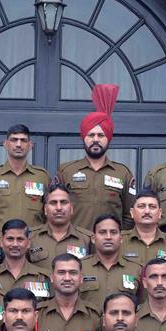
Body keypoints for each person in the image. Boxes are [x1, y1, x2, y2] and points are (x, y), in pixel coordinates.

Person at [57, 84, 135, 232]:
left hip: (110, 245)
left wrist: (116, 237)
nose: (95, 139)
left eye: (101, 135)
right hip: (76, 245)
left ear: (108, 138)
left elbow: (130, 214)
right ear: (83, 138)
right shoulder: (66, 171)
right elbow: (55, 210)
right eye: (91, 135)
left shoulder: (122, 173)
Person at [0, 124, 49, 227]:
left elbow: (50, 212)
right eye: (14, 140)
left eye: (23, 140)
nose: (19, 144)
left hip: (33, 240)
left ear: (30, 145)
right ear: (5, 144)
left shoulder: (42, 177)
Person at [36, 253, 100, 331]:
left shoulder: (95, 315)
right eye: (61, 272)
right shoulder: (37, 314)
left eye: (73, 273)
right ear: (52, 277)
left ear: (81, 277)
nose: (67, 278)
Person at [79, 213, 140, 312]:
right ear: (93, 239)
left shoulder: (136, 269)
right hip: (86, 325)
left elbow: (142, 305)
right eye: (103, 232)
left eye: (113, 232)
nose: (108, 237)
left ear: (121, 238)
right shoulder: (79, 267)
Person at [28, 182, 92, 265]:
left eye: (63, 202)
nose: (59, 208)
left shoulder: (87, 239)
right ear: (45, 209)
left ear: (71, 209)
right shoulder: (30, 237)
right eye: (53, 203)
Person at [0, 219, 52, 300]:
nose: (15, 244)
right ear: (1, 242)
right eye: (10, 239)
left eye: (20, 239)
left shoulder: (42, 277)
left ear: (28, 243)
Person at [121, 188, 166, 266]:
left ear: (159, 213)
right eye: (141, 206)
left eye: (152, 207)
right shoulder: (119, 241)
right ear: (132, 212)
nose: (147, 211)